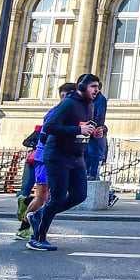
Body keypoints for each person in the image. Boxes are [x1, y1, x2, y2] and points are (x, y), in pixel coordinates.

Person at [24, 77, 105, 251]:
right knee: (58, 196)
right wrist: (78, 130)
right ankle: (37, 238)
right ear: (82, 87)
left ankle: (38, 215)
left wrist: (97, 132)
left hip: (77, 156)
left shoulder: (90, 105)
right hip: (57, 155)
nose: (96, 90)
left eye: (98, 87)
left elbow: (88, 127)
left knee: (79, 195)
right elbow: (50, 127)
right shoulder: (68, 104)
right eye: (93, 86)